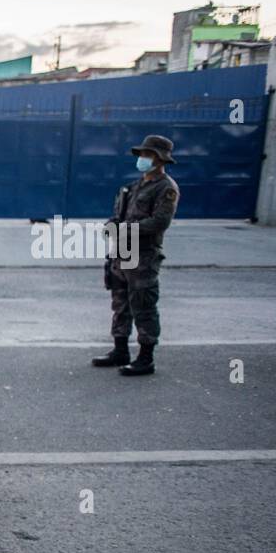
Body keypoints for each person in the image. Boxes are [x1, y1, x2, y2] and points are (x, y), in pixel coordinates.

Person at [91, 135, 180, 377]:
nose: (143, 159)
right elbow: (120, 215)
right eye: (142, 154)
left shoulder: (166, 188)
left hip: (144, 256)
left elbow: (160, 222)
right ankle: (120, 351)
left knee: (143, 306)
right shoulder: (133, 186)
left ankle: (146, 358)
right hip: (122, 252)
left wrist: (126, 230)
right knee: (120, 303)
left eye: (148, 155)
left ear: (160, 160)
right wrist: (112, 225)